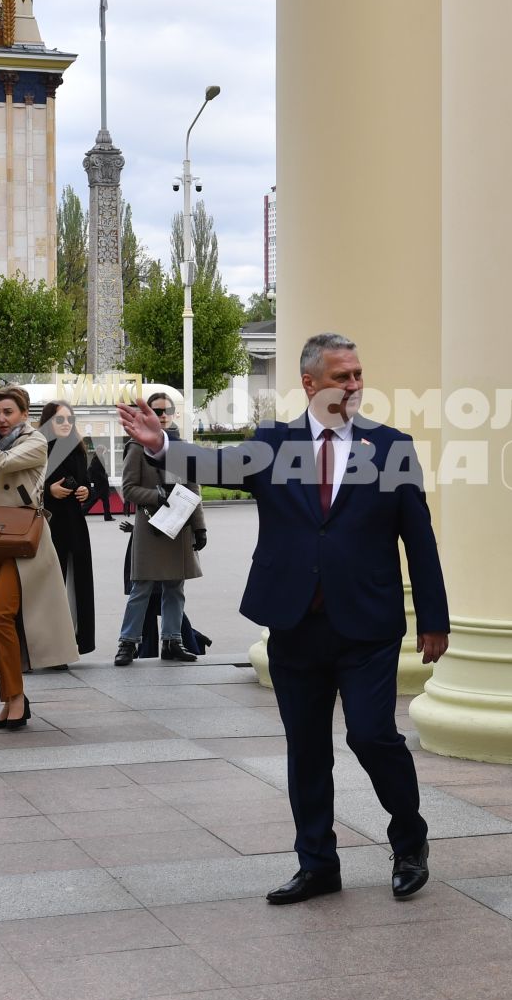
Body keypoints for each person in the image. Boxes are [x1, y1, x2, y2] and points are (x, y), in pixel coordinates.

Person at [119, 332, 448, 905]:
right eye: (342, 376)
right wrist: (160, 446)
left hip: (367, 623)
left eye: (357, 374)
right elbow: (215, 465)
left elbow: (418, 538)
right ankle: (317, 862)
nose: (353, 385)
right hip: (295, 622)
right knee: (307, 747)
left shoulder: (392, 446)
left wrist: (435, 617)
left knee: (373, 736)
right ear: (310, 383)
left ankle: (409, 839)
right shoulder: (273, 443)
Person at [0, 386, 79, 728]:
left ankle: (15, 698)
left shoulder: (35, 442)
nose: (0, 419)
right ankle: (13, 699)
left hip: (24, 544)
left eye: (8, 412)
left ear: (24, 415)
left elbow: (3, 463)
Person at [115, 394, 205, 667]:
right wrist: (156, 495)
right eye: (157, 411)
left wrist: (199, 527)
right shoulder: (136, 446)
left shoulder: (181, 447)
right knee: (141, 588)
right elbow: (128, 489)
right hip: (151, 526)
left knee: (176, 587)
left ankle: (172, 641)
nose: (163, 415)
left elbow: (193, 488)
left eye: (167, 411)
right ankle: (128, 643)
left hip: (178, 526)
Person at [38, 400, 97, 659]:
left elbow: (88, 484)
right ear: (48, 422)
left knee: (77, 587)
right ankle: (50, 648)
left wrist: (87, 491)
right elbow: (27, 487)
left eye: (69, 420)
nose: (65, 424)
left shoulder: (77, 449)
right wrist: (48, 491)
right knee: (52, 587)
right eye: (59, 419)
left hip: (75, 525)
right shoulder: (39, 448)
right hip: (49, 525)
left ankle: (74, 643)